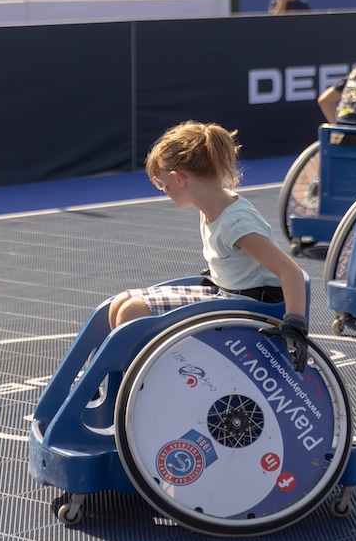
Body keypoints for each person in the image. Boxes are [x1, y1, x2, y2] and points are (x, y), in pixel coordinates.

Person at [106, 122, 311, 368]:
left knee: (132, 312)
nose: (164, 191)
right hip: (227, 294)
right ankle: (121, 375)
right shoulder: (212, 208)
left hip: (247, 306)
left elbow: (291, 272)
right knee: (120, 303)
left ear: (179, 178)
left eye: (162, 184)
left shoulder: (236, 223)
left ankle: (138, 379)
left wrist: (295, 325)